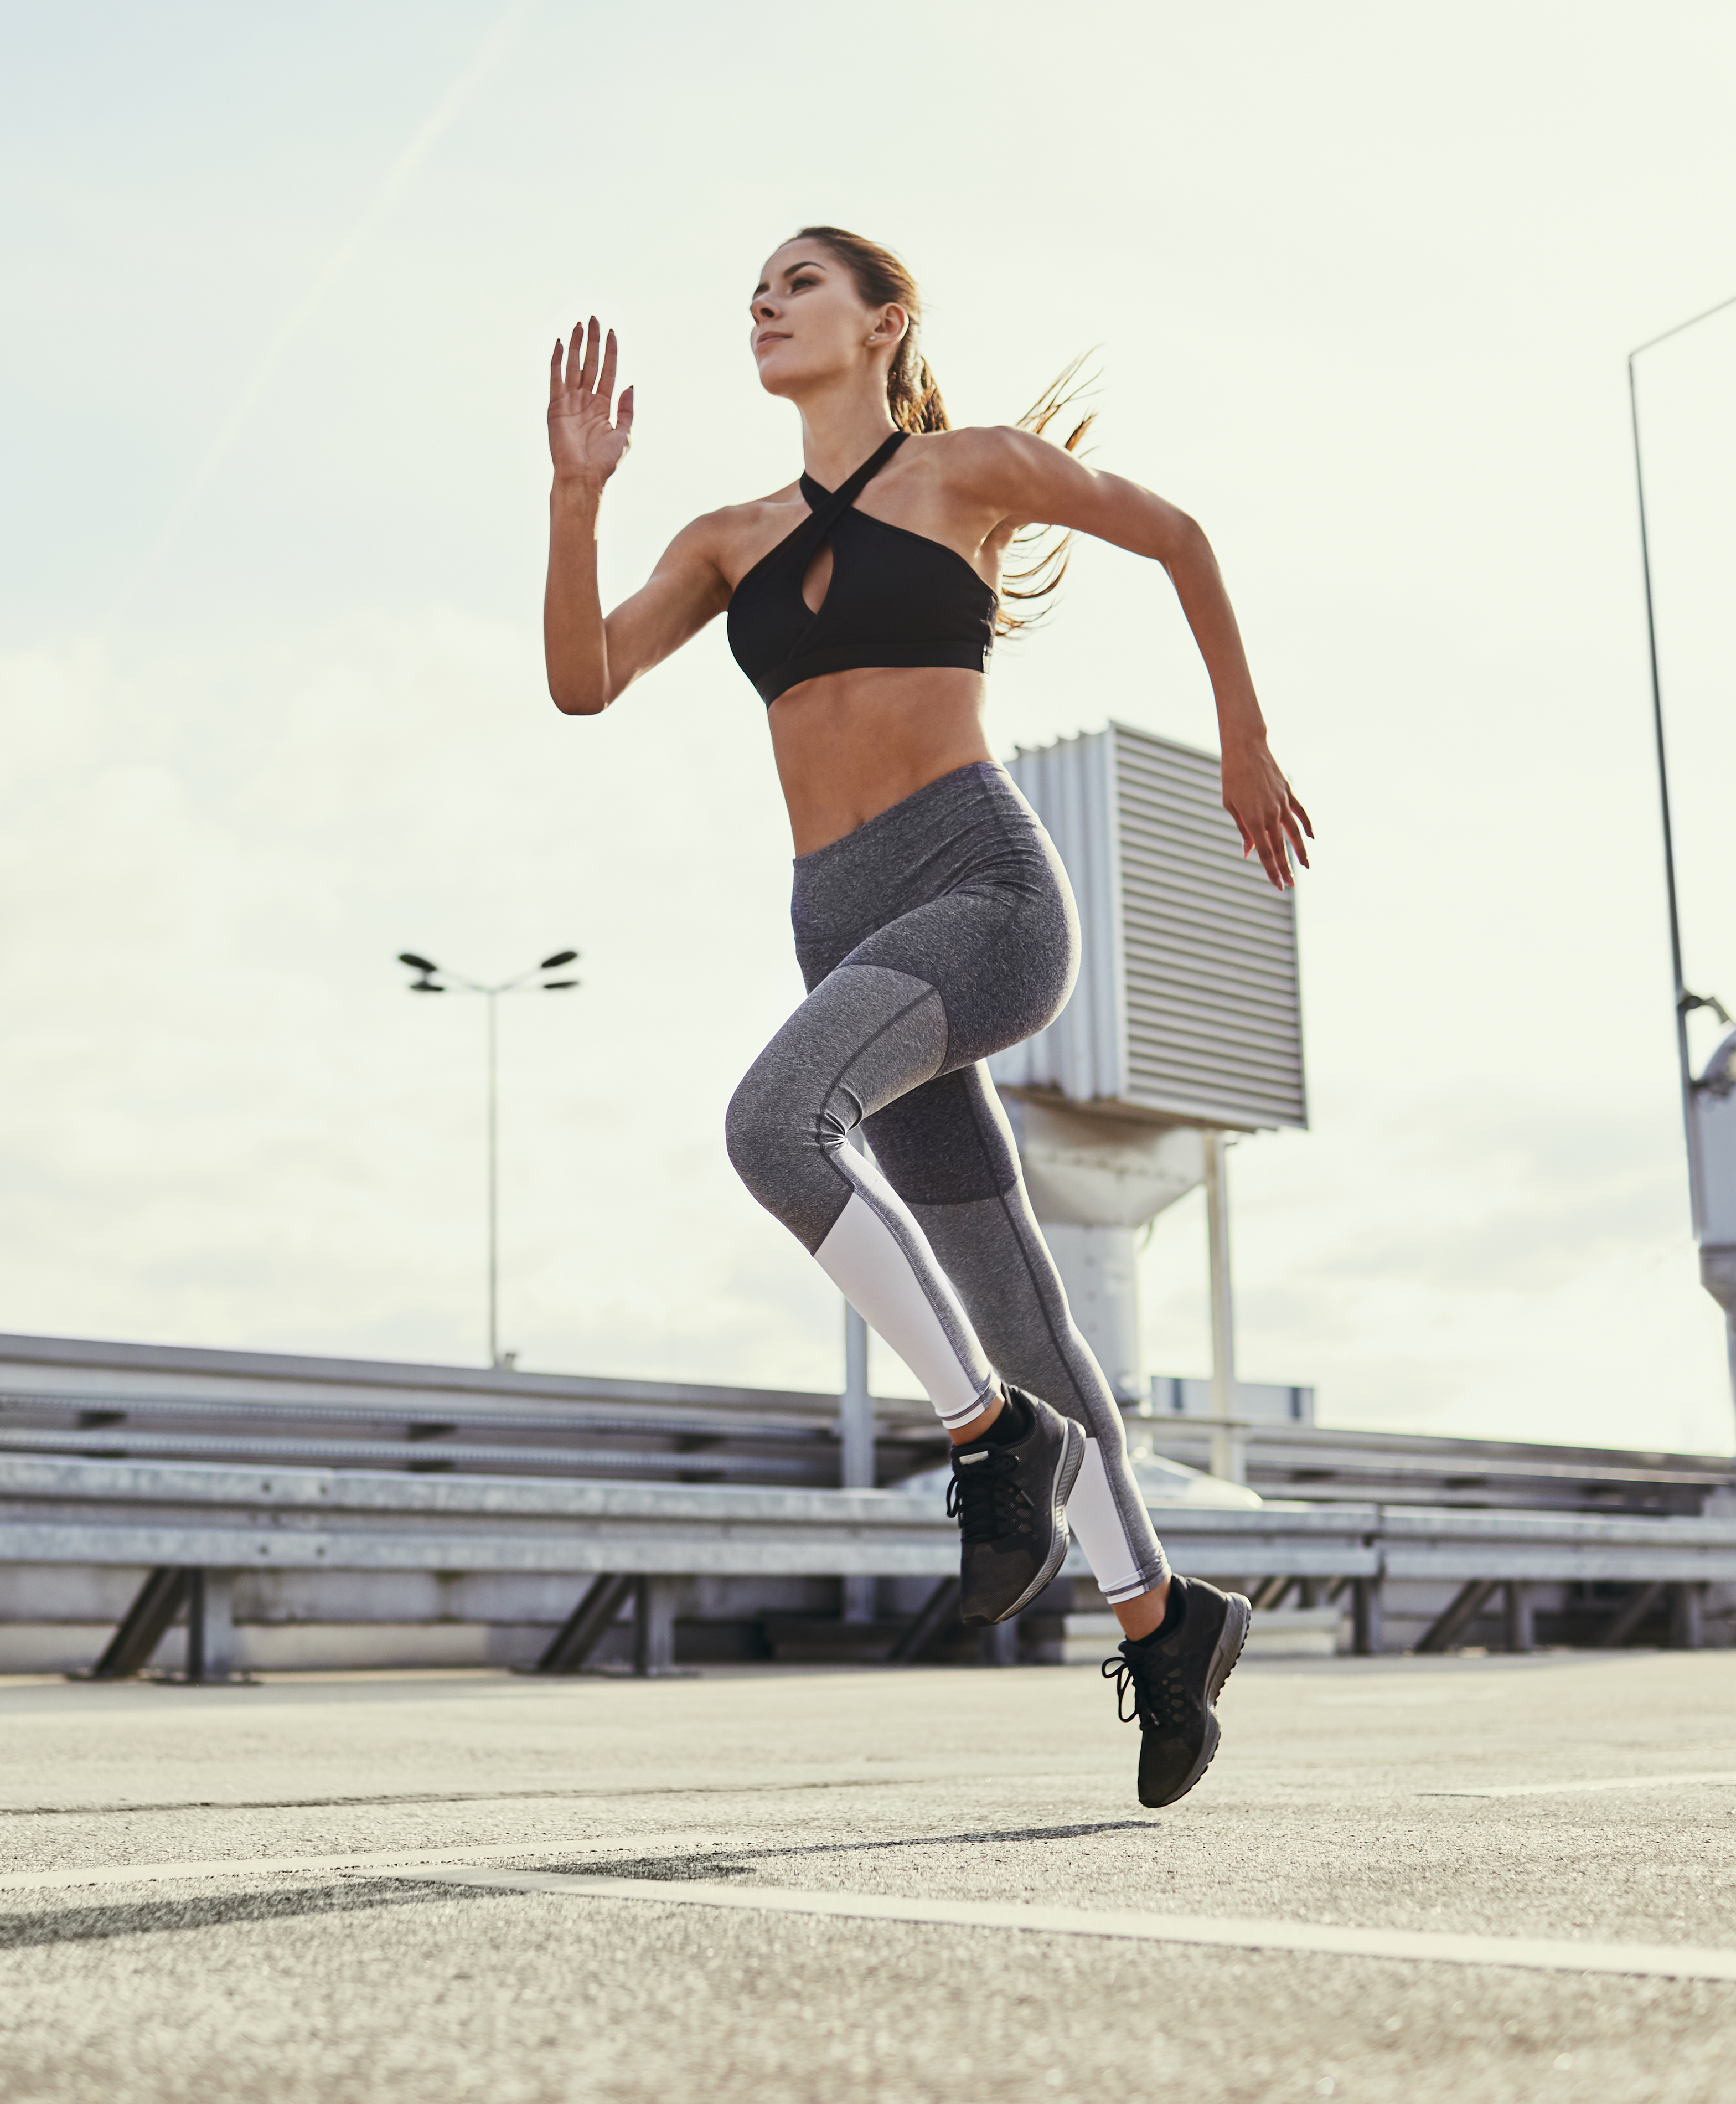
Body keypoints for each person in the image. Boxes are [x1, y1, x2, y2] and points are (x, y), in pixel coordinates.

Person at [539, 226, 1311, 1808]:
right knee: (1020, 1304)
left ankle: (982, 1439)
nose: (763, 303)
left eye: (798, 283)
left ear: (885, 322)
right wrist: (574, 499)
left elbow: (1176, 535)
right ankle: (1166, 1619)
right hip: (839, 919)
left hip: (981, 893)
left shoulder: (967, 470)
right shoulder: (726, 535)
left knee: (772, 1127)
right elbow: (582, 679)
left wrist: (1242, 737)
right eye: (752, 290)